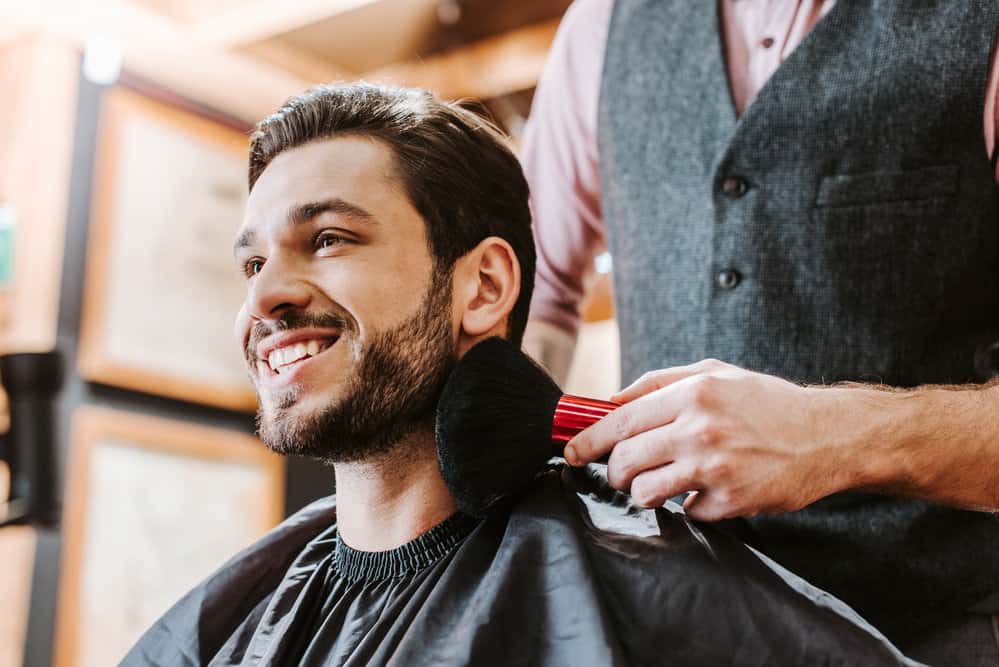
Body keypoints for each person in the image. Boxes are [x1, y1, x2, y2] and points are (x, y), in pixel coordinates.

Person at [121, 83, 921, 666]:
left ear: (484, 287)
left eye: (328, 238)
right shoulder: (241, 613)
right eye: (252, 261)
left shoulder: (636, 577)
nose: (263, 295)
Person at [519, 1, 999, 664]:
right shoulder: (603, 23)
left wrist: (828, 433)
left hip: (934, 628)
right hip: (670, 622)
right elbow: (532, 296)